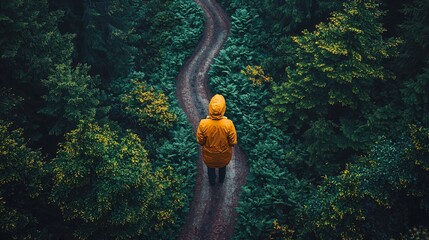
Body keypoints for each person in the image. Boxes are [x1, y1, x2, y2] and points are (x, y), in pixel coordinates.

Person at [196, 94, 237, 186]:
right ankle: (221, 181)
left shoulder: (203, 124)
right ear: (223, 108)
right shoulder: (228, 124)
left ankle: (212, 182)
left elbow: (200, 141)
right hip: (224, 155)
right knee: (222, 168)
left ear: (210, 107)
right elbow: (233, 142)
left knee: (210, 169)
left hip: (209, 155)